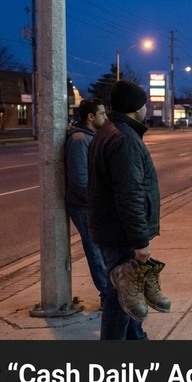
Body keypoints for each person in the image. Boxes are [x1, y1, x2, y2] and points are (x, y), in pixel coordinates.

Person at [88, 80, 163, 340]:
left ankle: (137, 340)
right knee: (121, 298)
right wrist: (140, 242)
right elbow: (129, 195)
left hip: (111, 229)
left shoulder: (110, 131)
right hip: (120, 233)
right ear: (136, 107)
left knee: (129, 294)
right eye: (144, 102)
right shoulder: (124, 139)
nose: (147, 107)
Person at [64, 97, 109, 307]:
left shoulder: (92, 137)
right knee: (95, 252)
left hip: (94, 204)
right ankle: (107, 296)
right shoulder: (80, 140)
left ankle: (109, 295)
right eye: (102, 113)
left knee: (103, 251)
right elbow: (80, 180)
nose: (106, 117)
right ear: (91, 117)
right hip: (85, 206)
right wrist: (97, 202)